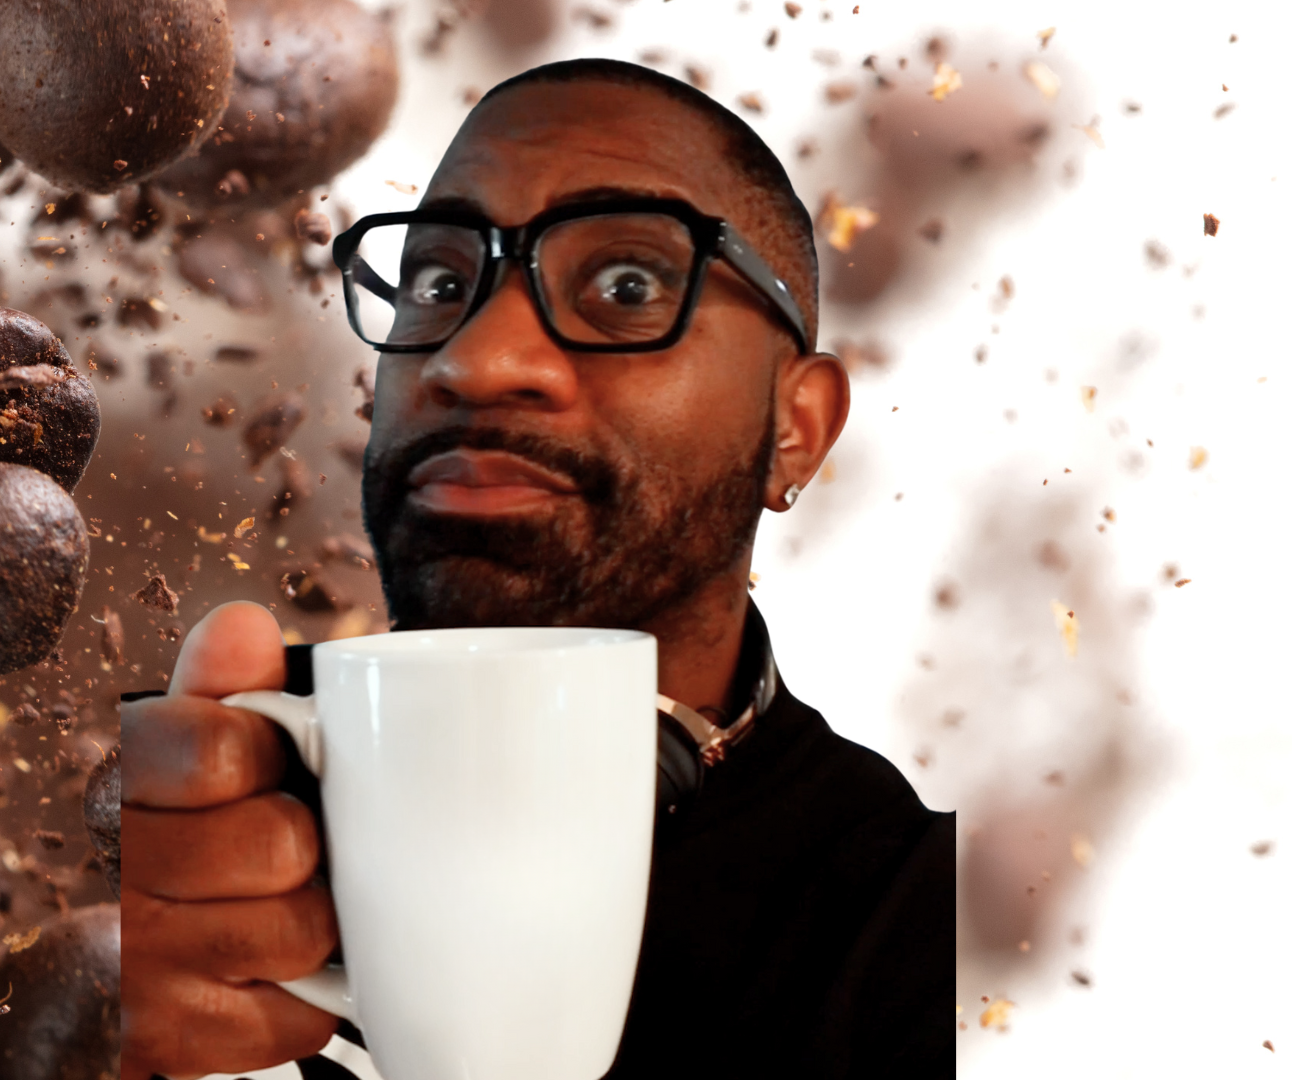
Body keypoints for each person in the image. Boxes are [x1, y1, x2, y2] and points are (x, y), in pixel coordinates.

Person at [121, 58, 953, 1080]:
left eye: (628, 284)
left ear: (798, 427)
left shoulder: (920, 910)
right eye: (439, 283)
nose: (476, 360)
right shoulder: (171, 804)